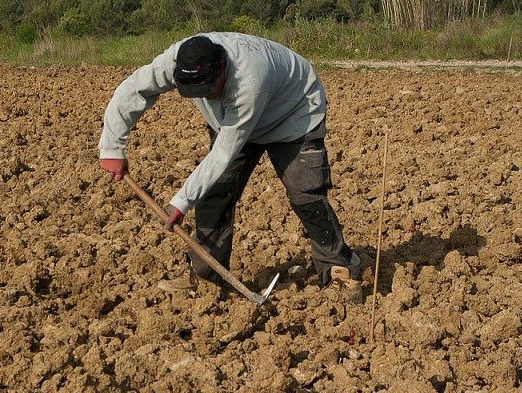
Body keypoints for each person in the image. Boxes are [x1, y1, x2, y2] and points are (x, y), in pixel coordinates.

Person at [98, 32, 362, 303]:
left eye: (208, 89)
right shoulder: (176, 60)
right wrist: (111, 147)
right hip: (232, 120)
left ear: (221, 67)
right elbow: (133, 89)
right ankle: (205, 275)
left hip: (293, 113)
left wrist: (181, 201)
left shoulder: (249, 81)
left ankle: (340, 272)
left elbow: (225, 150)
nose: (205, 97)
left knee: (306, 194)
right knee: (215, 193)